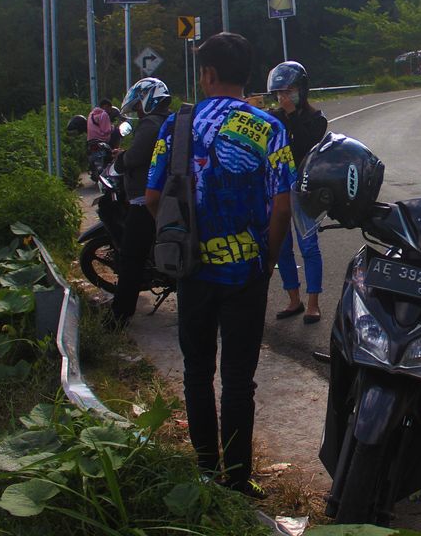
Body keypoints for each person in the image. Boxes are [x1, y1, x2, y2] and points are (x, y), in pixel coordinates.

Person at [145, 32, 295, 494]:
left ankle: (206, 470)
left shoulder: (177, 125)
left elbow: (153, 197)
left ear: (206, 75)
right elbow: (283, 206)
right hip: (245, 273)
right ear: (246, 75)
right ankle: (239, 479)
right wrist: (266, 259)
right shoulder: (270, 126)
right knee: (238, 380)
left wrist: (187, 238)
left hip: (192, 271)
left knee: (196, 372)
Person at [267, 61, 328, 324]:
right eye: (279, 92)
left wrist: (291, 115)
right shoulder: (274, 118)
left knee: (309, 247)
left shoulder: (316, 119)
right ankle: (294, 299)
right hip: (278, 189)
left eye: (289, 90)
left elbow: (306, 144)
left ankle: (313, 302)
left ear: (301, 90)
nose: (283, 97)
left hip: (304, 190)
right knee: (281, 247)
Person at [107, 77, 171, 328]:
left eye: (138, 106)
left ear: (148, 100)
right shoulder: (169, 120)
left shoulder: (151, 124)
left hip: (144, 199)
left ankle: (120, 315)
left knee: (131, 257)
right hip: (163, 195)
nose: (138, 111)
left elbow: (137, 156)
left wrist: (121, 159)